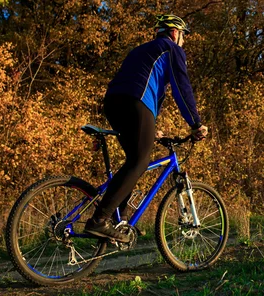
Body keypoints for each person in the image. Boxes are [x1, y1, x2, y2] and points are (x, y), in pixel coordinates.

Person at [84, 14, 208, 242]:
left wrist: (152, 125)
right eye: (183, 36)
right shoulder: (171, 48)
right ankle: (99, 220)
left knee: (134, 161)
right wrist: (195, 123)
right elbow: (182, 88)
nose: (184, 42)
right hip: (135, 102)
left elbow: (148, 86)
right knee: (140, 161)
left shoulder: (142, 50)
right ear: (174, 33)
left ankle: (120, 221)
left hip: (113, 103)